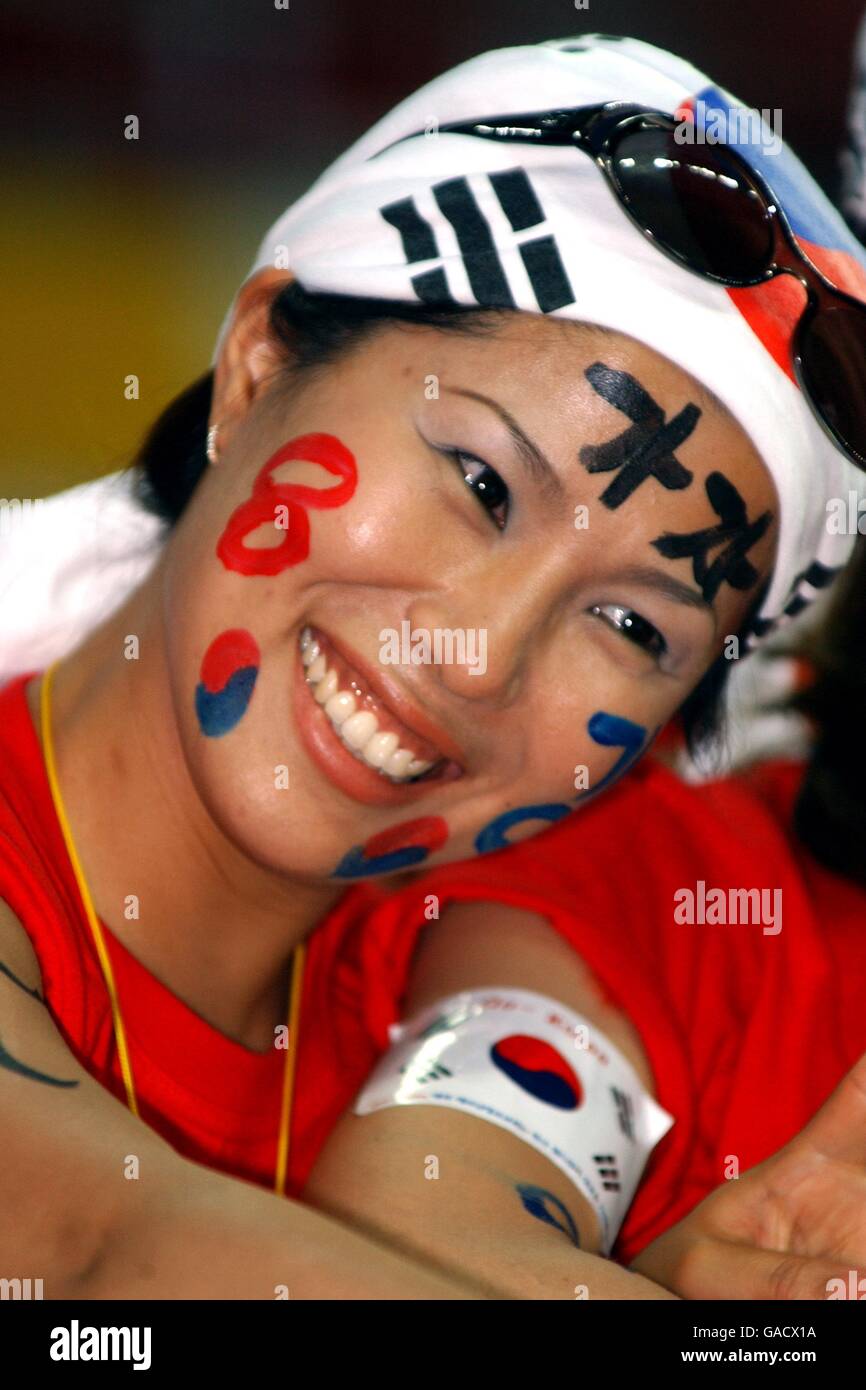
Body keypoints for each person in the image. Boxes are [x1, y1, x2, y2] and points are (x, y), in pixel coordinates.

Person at [2, 33, 865, 1298]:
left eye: (634, 628)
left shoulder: (472, 1014)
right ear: (254, 362)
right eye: (478, 482)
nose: (481, 656)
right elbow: (96, 1246)